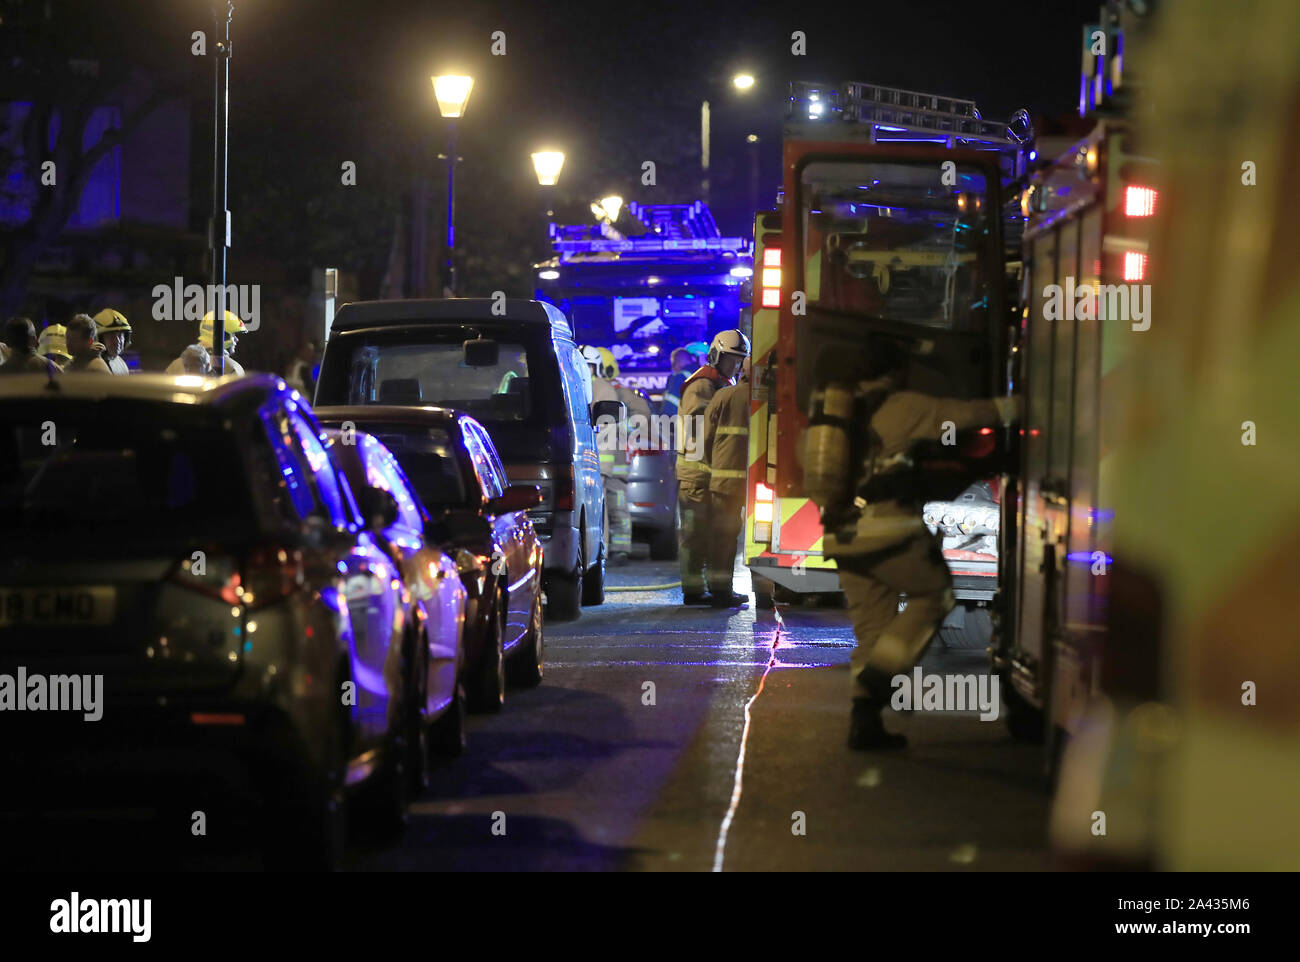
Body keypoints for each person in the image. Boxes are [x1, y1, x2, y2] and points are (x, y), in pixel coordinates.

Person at [807, 339, 1018, 750]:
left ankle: (864, 723)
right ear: (893, 372)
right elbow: (968, 415)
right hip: (888, 533)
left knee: (872, 631)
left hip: (840, 535)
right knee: (935, 596)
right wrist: (1029, 405)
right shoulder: (904, 406)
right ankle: (878, 679)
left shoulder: (830, 415)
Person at [676, 328, 749, 605]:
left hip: (707, 474)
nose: (735, 364)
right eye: (731, 358)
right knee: (695, 536)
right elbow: (698, 435)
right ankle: (693, 592)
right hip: (696, 475)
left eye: (739, 359)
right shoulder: (702, 387)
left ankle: (707, 590)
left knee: (711, 534)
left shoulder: (719, 385)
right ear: (717, 355)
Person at [700, 354, 752, 607]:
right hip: (758, 484)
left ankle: (720, 591)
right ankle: (765, 591)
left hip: (724, 481)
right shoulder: (765, 398)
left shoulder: (723, 395)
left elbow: (705, 437)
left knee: (723, 537)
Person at [581, 344, 633, 565]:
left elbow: (607, 430)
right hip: (590, 460)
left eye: (589, 366)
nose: (586, 370)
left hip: (600, 462)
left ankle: (606, 552)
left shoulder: (602, 389)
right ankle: (598, 551)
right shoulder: (581, 386)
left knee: (606, 508)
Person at [167, 310, 246, 376]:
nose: (237, 340)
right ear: (224, 335)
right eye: (233, 335)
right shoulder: (232, 368)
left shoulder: (174, 366)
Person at [92, 308, 132, 375]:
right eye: (111, 336)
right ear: (99, 339)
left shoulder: (121, 364)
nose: (117, 341)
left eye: (120, 336)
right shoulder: (88, 366)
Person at [661, 347, 696, 418]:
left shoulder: (679, 377)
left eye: (674, 363)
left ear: (680, 361)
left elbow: (669, 408)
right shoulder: (701, 374)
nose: (672, 367)